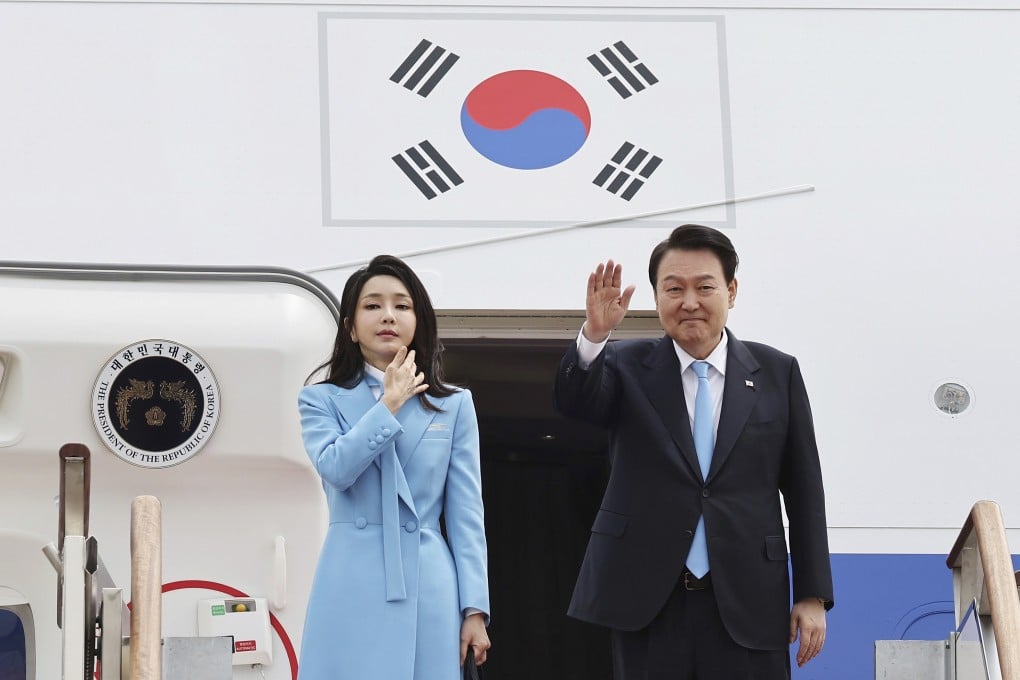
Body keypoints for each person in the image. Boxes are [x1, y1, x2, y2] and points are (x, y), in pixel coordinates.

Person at [554, 224, 833, 679]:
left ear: (731, 290)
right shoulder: (626, 366)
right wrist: (594, 337)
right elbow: (575, 403)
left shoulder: (777, 372)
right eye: (673, 288)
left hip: (748, 599)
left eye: (704, 287)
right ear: (656, 296)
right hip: (647, 599)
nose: (689, 302)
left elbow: (804, 492)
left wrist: (812, 594)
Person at [297, 255, 491, 679]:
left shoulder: (454, 404)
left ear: (418, 319)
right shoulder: (320, 399)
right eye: (372, 305)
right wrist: (389, 403)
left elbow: (465, 514)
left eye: (402, 306)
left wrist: (474, 607)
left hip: (428, 579)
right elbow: (336, 468)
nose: (388, 315)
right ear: (350, 326)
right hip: (350, 576)